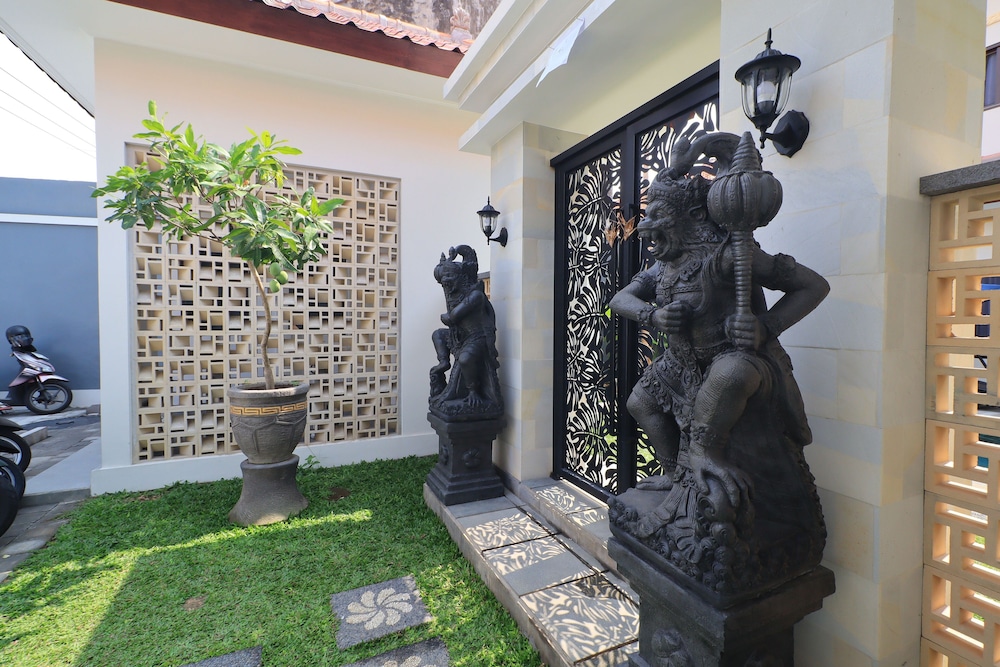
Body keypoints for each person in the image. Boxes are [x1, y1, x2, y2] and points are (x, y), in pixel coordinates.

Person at [610, 139, 829, 538]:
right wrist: (653, 315)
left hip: (730, 359)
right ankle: (674, 473)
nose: (645, 227)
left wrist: (767, 326)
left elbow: (813, 285)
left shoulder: (729, 255)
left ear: (693, 215)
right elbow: (619, 299)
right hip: (681, 365)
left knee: (730, 374)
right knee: (640, 402)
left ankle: (704, 453)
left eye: (658, 216)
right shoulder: (664, 267)